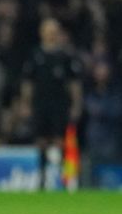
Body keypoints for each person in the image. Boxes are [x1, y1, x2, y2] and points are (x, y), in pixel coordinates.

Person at [20, 18, 83, 190]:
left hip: (59, 104)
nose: (51, 35)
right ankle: (42, 177)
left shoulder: (66, 56)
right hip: (40, 103)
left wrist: (76, 105)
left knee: (60, 140)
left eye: (54, 32)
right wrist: (25, 104)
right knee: (40, 140)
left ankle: (64, 178)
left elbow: (74, 84)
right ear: (42, 33)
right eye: (48, 31)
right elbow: (28, 82)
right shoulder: (35, 55)